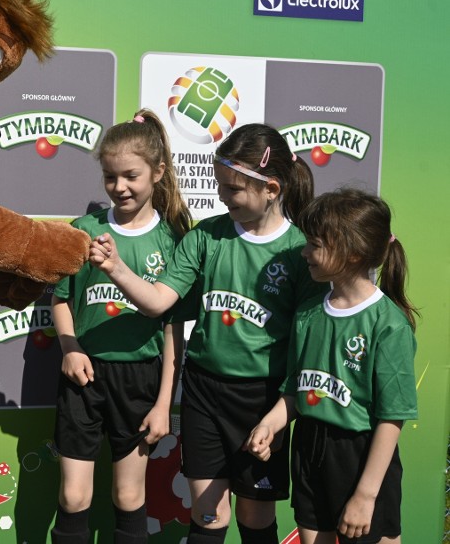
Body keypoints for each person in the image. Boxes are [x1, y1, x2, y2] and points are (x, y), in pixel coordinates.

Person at [90, 123, 329, 543]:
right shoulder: (206, 236)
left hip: (263, 399)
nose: (222, 195)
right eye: (219, 185)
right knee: (207, 512)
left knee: (255, 519)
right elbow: (158, 302)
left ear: (271, 189)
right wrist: (116, 269)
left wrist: (282, 411)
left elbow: (310, 345)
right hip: (202, 391)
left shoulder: (300, 251)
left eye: (233, 189)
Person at [50, 109, 192, 543]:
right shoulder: (84, 230)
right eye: (110, 177)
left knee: (129, 495)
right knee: (74, 497)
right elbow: (60, 300)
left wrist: (164, 402)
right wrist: (70, 349)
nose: (120, 187)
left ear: (158, 172)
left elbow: (173, 333)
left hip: (141, 380)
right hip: (85, 377)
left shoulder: (173, 239)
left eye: (130, 175)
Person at [245, 188, 418, 544]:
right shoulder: (308, 312)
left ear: (352, 253)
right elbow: (296, 388)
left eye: (315, 244)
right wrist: (270, 424)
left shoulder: (388, 325)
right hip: (309, 449)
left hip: (362, 457)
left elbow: (392, 417)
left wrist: (366, 495)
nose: (304, 251)